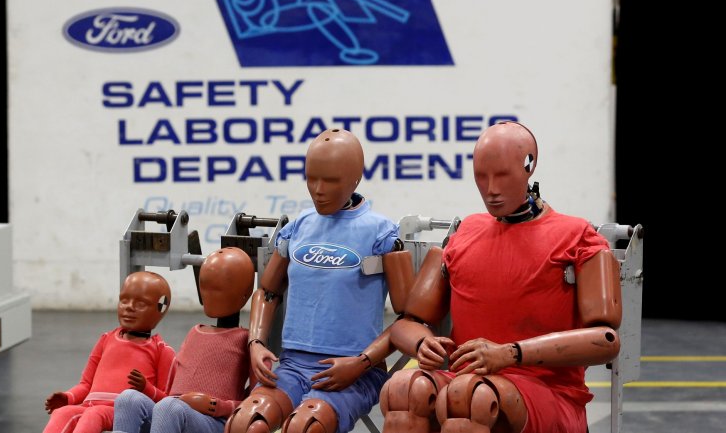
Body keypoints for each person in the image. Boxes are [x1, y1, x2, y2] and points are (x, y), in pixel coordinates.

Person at [380, 121, 622, 433]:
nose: (491, 188)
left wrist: (510, 353)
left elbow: (606, 340)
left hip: (547, 390)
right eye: (481, 176)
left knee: (472, 398)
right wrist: (422, 343)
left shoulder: (577, 235)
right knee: (403, 389)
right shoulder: (465, 232)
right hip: (467, 383)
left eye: (503, 175)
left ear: (529, 166)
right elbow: (407, 322)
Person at [225, 128, 407, 433]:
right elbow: (268, 291)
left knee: (307, 427)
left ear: (355, 178)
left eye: (331, 180)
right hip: (293, 366)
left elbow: (408, 318)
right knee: (245, 423)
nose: (319, 190)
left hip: (355, 372)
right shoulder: (299, 227)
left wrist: (361, 363)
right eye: (311, 179)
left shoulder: (382, 234)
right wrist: (255, 343)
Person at [112, 247, 257, 433]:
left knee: (169, 408)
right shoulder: (194, 332)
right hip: (173, 412)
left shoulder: (247, 339)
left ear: (245, 292)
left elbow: (257, 399)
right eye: (205, 286)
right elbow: (171, 390)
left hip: (213, 421)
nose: (210, 295)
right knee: (128, 399)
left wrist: (217, 405)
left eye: (218, 289)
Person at [42, 271, 176, 433]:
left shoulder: (162, 350)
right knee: (62, 413)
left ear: (160, 308)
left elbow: (167, 404)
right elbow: (86, 384)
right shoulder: (106, 339)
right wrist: (68, 397)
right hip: (89, 406)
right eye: (124, 300)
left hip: (123, 413)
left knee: (94, 414)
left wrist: (146, 388)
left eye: (141, 304)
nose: (129, 307)